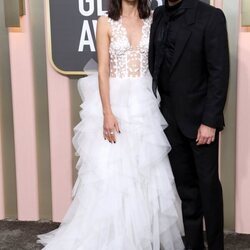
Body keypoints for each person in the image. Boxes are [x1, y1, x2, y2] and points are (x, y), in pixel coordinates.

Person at [37, 0, 185, 249]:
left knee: (146, 169)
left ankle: (141, 235)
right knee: (113, 171)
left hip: (145, 103)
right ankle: (114, 236)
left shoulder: (153, 19)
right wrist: (107, 112)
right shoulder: (105, 22)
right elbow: (103, 69)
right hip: (115, 103)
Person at [149, 0, 230, 249]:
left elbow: (219, 73)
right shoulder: (159, 15)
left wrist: (209, 121)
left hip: (199, 121)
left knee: (208, 188)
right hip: (168, 119)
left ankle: (216, 245)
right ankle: (194, 245)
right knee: (186, 190)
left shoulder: (211, 17)